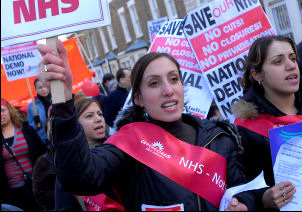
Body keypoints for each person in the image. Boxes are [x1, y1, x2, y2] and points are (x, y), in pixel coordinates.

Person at [37, 39, 257, 211]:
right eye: (154, 83)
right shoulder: (127, 145)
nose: (168, 90)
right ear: (139, 98)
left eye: (173, 79)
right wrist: (63, 101)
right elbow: (79, 177)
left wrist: (246, 202)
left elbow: (241, 191)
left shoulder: (219, 137)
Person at [232, 36, 302, 210]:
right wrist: (264, 198)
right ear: (257, 74)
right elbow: (241, 190)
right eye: (278, 61)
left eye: (293, 58)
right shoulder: (245, 128)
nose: (291, 65)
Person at [1, 98, 47, 210]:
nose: (0, 114)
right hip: (12, 193)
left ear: (9, 111)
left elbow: (43, 152)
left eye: (2, 110)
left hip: (36, 185)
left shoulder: (25, 129)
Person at [27, 78, 51, 148]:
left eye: (45, 86)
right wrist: (35, 123)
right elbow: (30, 129)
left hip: (60, 135)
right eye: (40, 87)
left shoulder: (57, 100)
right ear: (36, 89)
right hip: (44, 140)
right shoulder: (32, 106)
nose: (43, 89)